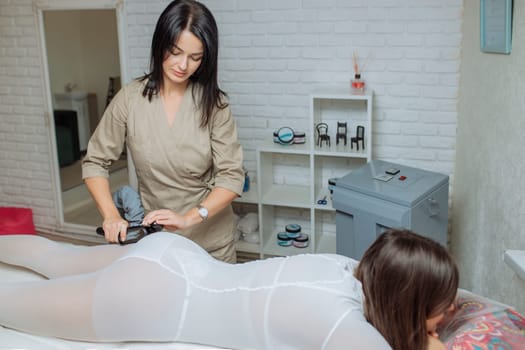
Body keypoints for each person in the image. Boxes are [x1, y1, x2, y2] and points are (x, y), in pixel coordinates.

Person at [0, 229, 458, 349]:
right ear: (408, 302)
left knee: (53, 258)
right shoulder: (345, 327)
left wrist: (427, 315)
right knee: (9, 304)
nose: (453, 311)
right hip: (148, 299)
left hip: (175, 254)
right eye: (442, 306)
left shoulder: (348, 267)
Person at [82, 0, 244, 262]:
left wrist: (189, 217)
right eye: (175, 51)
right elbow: (95, 162)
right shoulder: (130, 99)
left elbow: (231, 177)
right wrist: (111, 214)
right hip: (160, 243)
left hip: (211, 243)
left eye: (195, 57)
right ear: (160, 44)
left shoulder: (214, 105)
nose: (183, 65)